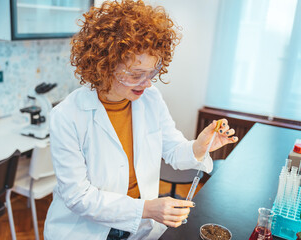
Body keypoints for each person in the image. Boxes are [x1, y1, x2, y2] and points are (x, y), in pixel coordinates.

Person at [44, 0, 238, 239]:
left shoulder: (150, 99)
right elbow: (78, 197)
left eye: (153, 72)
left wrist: (200, 146)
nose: (147, 83)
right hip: (86, 230)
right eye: (137, 75)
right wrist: (146, 208)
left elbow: (173, 149)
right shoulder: (67, 116)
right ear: (104, 66)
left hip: (139, 227)